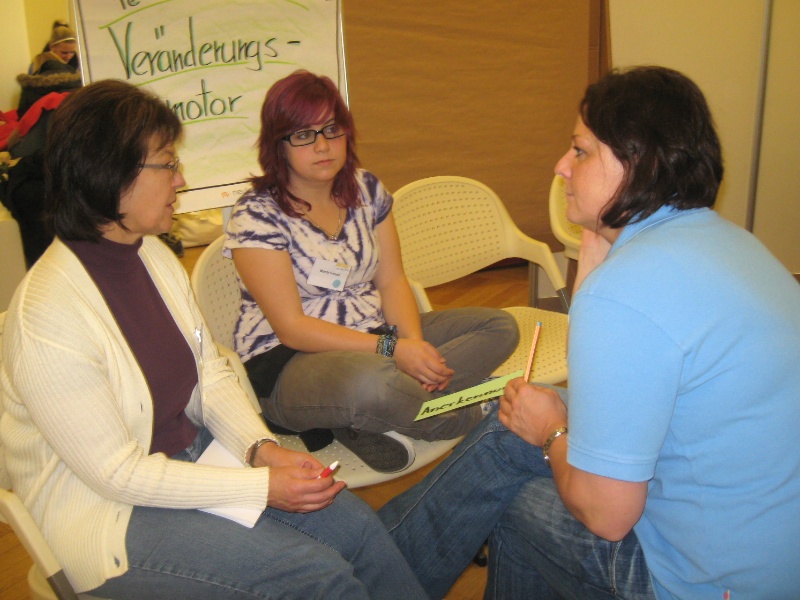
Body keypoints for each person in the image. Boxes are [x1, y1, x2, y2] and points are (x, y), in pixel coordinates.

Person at [378, 66, 800, 599]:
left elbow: (606, 515)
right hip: (772, 553)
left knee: (511, 491)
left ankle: (368, 579)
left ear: (638, 164)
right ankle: (375, 567)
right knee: (516, 424)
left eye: (579, 151)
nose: (561, 166)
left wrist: (553, 432)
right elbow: (612, 375)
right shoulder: (733, 244)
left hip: (706, 584)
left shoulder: (626, 293)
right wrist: (598, 238)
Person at [0, 79, 427, 599]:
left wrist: (260, 448)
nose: (181, 179)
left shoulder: (152, 256)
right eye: (167, 164)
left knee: (359, 531)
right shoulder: (48, 314)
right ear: (108, 173)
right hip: (108, 514)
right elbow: (115, 475)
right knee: (317, 578)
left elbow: (209, 370)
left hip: (193, 459)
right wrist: (259, 484)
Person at [224, 70, 518, 472]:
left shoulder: (366, 190)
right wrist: (395, 352)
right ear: (278, 143)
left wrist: (413, 346)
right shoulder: (256, 213)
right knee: (375, 381)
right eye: (303, 134)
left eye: (332, 129)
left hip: (375, 336)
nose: (323, 145)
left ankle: (371, 414)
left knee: (498, 326)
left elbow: (392, 280)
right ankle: (472, 411)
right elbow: (291, 327)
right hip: (289, 360)